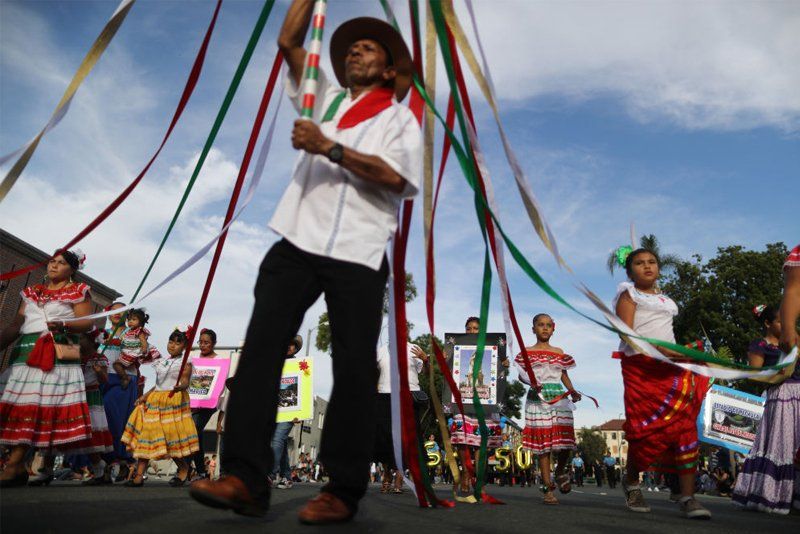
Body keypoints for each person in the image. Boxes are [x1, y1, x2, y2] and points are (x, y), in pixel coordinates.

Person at [189, 1, 420, 524]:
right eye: (351, 48)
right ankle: (246, 479)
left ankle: (342, 488)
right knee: (261, 350)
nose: (356, 51)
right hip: (297, 240)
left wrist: (330, 148)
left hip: (359, 250)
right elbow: (290, 45)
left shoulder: (399, 118)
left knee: (356, 365)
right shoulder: (327, 100)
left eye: (368, 47)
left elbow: (399, 180)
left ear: (388, 69)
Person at [614, 248, 711, 519]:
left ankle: (688, 497)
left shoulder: (665, 299)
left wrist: (680, 354)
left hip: (670, 368)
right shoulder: (628, 295)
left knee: (683, 426)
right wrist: (659, 349)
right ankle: (632, 482)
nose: (647, 267)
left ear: (658, 267)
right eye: (639, 263)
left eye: (652, 262)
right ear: (630, 270)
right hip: (641, 370)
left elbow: (667, 334)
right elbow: (628, 335)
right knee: (642, 430)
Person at [0, 249, 95, 487]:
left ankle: (14, 464)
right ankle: (18, 466)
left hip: (54, 354)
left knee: (33, 408)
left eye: (61, 263)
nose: (53, 265)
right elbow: (15, 325)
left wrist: (64, 323)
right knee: (14, 408)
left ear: (72, 270)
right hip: (24, 352)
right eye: (52, 261)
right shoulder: (32, 292)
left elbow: (86, 323)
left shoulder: (78, 291)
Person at [732, 303, 800, 514]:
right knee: (782, 444)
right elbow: (756, 375)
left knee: (797, 444)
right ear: (768, 323)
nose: (785, 325)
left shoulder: (794, 340)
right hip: (780, 396)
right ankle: (772, 495)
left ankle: (794, 497)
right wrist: (780, 373)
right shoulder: (760, 345)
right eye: (780, 321)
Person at [515, 313, 581, 505]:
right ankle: (547, 489)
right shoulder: (526, 351)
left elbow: (563, 375)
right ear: (533, 329)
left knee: (566, 441)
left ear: (554, 328)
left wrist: (572, 391)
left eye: (548, 325)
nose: (544, 328)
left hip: (559, 396)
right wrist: (532, 382)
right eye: (540, 325)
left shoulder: (559, 351)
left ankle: (560, 471)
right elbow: (521, 375)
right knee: (544, 446)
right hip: (538, 398)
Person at [121, 327, 200, 487]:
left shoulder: (185, 362)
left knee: (170, 440)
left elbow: (185, 380)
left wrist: (181, 387)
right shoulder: (162, 361)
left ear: (184, 346)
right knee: (147, 435)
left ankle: (184, 468)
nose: (173, 345)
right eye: (171, 341)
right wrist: (144, 396)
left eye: (178, 343)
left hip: (173, 400)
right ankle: (138, 476)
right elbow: (158, 384)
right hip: (156, 400)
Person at [373, 342, 428, 494]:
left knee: (405, 439)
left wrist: (426, 360)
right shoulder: (381, 350)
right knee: (384, 437)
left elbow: (427, 374)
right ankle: (387, 474)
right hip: (385, 397)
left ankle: (399, 477)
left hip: (408, 396)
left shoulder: (414, 349)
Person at [99, 302, 138, 482]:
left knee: (116, 419)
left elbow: (137, 354)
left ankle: (120, 459)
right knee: (100, 421)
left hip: (123, 378)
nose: (116, 314)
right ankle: (105, 464)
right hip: (101, 378)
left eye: (121, 312)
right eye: (113, 311)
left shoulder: (132, 332)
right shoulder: (100, 333)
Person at [75, 330, 115, 485]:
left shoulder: (100, 359)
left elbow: (105, 380)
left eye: (82, 337)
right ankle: (47, 468)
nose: (78, 341)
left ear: (92, 341)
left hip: (91, 398)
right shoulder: (75, 356)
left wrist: (99, 372)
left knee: (90, 434)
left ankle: (99, 468)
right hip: (75, 396)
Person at [189, 328, 224, 481]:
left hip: (207, 404)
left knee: (195, 430)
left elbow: (220, 385)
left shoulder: (218, 361)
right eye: (201, 342)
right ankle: (194, 469)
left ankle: (200, 470)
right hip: (191, 402)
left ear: (214, 344)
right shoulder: (194, 359)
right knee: (190, 434)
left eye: (206, 343)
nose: (203, 345)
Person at [271, 335, 304, 490]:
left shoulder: (301, 365)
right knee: (281, 443)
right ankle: (286, 476)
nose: (289, 346)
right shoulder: (273, 363)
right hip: (273, 409)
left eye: (293, 344)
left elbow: (305, 388)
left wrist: (301, 412)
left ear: (296, 348)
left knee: (277, 439)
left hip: (290, 411)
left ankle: (269, 474)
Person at [114, 308, 150, 390]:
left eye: (134, 319)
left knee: (116, 364)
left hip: (133, 353)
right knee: (120, 365)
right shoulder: (128, 332)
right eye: (129, 319)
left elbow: (143, 341)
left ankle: (125, 378)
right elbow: (121, 341)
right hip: (127, 352)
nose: (130, 321)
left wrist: (144, 349)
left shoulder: (139, 331)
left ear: (140, 322)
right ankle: (127, 377)